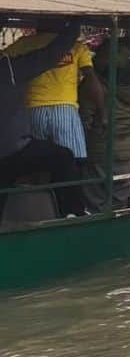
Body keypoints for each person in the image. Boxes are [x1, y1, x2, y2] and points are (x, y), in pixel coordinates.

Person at [0, 19, 89, 217]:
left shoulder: (12, 60)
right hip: (12, 151)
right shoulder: (9, 69)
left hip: (14, 148)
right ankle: (72, 212)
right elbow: (50, 55)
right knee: (63, 157)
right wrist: (73, 27)